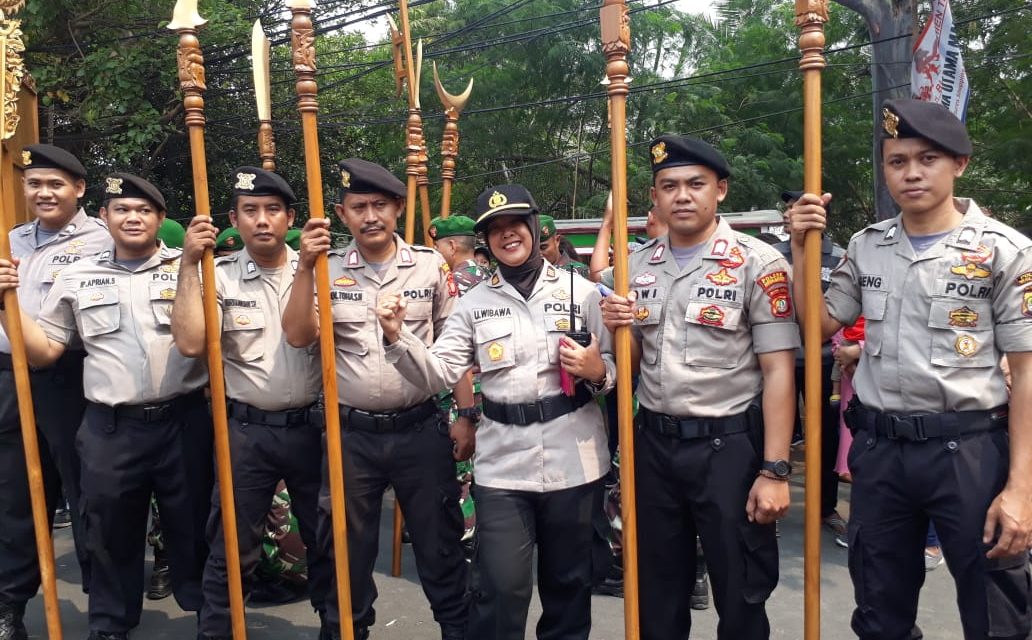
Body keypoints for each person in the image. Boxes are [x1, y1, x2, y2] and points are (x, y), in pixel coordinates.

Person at [787, 98, 1032, 640]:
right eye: (897, 161)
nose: (912, 173)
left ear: (959, 164)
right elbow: (819, 326)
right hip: (882, 454)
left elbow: (1028, 374)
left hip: (968, 452)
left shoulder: (1004, 252)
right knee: (878, 608)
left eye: (928, 159)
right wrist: (802, 246)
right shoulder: (868, 246)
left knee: (996, 613)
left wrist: (1022, 488)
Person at [377, 183, 613, 640]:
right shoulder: (473, 304)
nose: (508, 235)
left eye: (515, 224)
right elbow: (439, 371)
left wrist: (599, 370)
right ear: (486, 239)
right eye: (496, 229)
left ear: (533, 226)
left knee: (569, 585)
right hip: (503, 463)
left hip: (575, 458)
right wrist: (396, 337)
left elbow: (621, 367)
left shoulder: (582, 292)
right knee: (501, 589)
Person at [0, 173, 213, 640]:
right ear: (104, 217)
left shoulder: (193, 267)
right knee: (108, 533)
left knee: (194, 525)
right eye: (121, 210)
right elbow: (46, 351)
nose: (132, 218)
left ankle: (209, 619)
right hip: (110, 427)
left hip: (184, 421)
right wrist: (7, 304)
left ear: (160, 219)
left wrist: (190, 266)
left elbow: (197, 344)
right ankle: (111, 625)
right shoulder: (77, 276)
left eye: (143, 210)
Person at [600, 134, 797, 639]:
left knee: (741, 590)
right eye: (669, 186)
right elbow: (634, 364)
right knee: (657, 591)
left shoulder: (758, 263)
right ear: (656, 197)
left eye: (695, 184)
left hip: (728, 449)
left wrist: (775, 469)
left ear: (721, 190)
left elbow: (778, 371)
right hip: (654, 445)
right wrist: (617, 333)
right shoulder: (635, 266)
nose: (682, 196)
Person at [283, 158, 470, 640]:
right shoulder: (324, 269)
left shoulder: (431, 266)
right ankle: (346, 628)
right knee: (345, 545)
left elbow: (456, 346)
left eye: (380, 205)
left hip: (421, 428)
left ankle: (456, 626)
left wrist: (466, 415)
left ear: (398, 208)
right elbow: (300, 336)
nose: (370, 216)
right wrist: (304, 267)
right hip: (352, 436)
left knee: (439, 539)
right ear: (342, 215)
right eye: (358, 206)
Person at [171, 167, 333, 639]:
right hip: (245, 431)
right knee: (231, 545)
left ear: (290, 218)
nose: (262, 221)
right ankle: (219, 630)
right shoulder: (215, 274)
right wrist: (186, 263)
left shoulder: (325, 269)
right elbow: (190, 343)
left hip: (312, 427)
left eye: (272, 210)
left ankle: (338, 626)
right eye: (250, 211)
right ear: (234, 219)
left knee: (325, 538)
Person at [0, 145, 108, 640]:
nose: (43, 193)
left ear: (79, 189)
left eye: (56, 184)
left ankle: (104, 607)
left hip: (72, 376)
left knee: (87, 492)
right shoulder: (11, 239)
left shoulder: (102, 241)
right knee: (15, 495)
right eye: (35, 183)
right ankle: (10, 604)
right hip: (9, 376)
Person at [773, 189, 849, 547]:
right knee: (777, 433)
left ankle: (826, 507)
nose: (793, 215)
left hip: (826, 361)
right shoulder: (770, 257)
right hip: (780, 358)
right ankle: (771, 498)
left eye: (800, 209)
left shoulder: (841, 257)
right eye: (789, 210)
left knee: (827, 435)